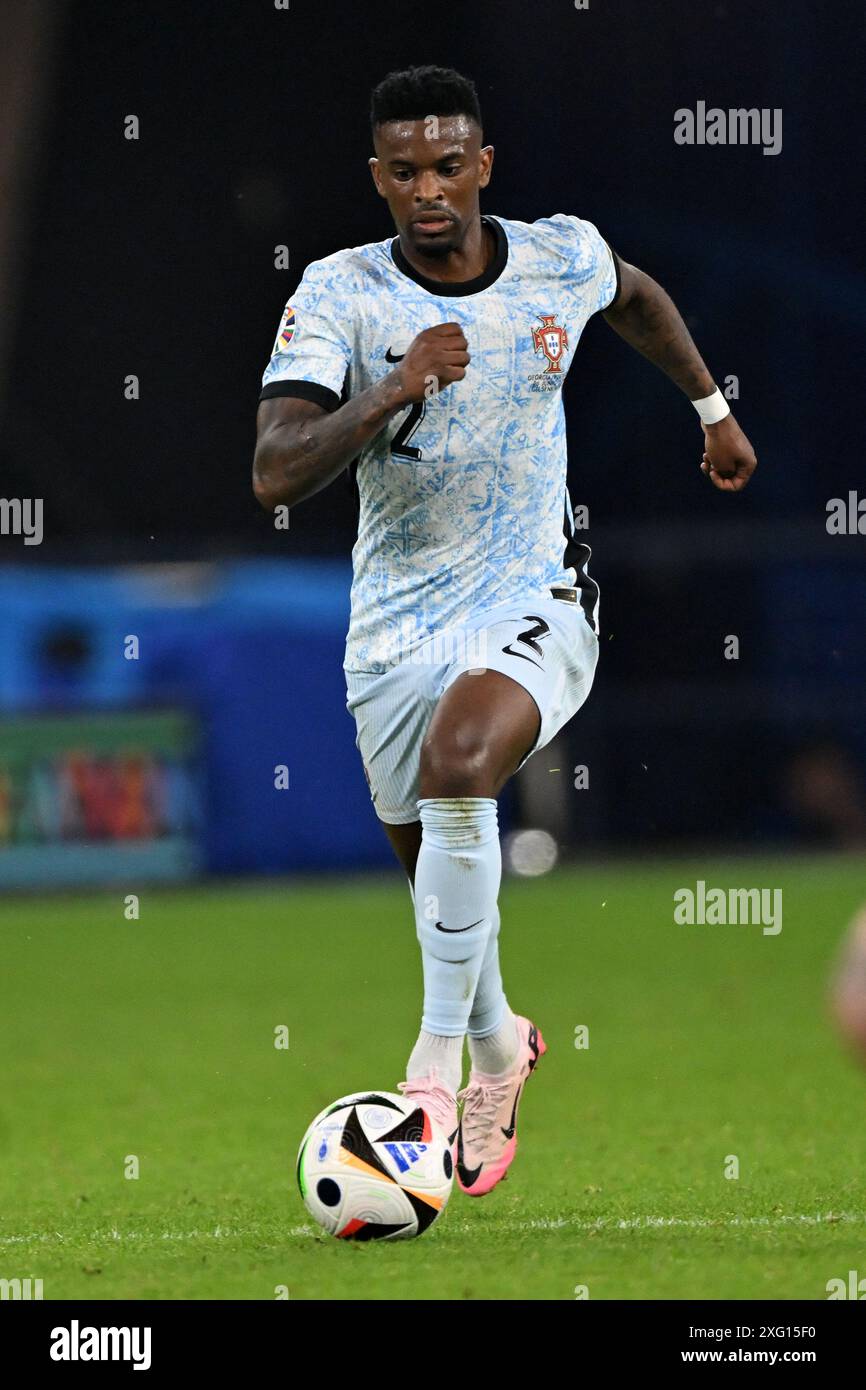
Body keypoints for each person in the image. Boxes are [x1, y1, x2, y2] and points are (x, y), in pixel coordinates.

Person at [253, 65, 757, 1196]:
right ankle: (494, 1040)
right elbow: (273, 471)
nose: (427, 190)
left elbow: (634, 299)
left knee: (463, 764)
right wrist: (388, 391)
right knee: (438, 867)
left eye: (447, 166)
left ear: (482, 167)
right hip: (393, 619)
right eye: (403, 172)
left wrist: (710, 412)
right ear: (376, 179)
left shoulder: (556, 254)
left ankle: (430, 1075)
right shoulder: (341, 296)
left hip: (535, 591)